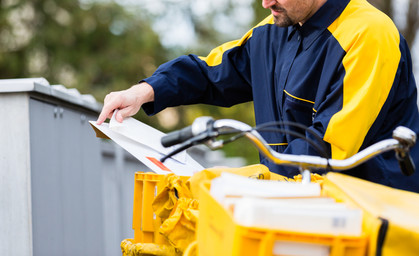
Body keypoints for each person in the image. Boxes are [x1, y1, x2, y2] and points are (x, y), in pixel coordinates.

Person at [97, 0, 419, 193]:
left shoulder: (369, 37)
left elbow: (324, 151)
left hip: (374, 226)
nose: (265, 2)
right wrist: (146, 90)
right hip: (299, 212)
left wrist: (235, 182)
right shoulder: (275, 29)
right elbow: (213, 72)